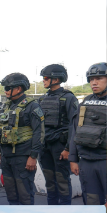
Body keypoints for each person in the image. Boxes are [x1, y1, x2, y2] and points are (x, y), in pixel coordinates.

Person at [0, 73, 45, 205]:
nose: (5, 91)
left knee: (25, 195)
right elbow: (0, 128)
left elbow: (39, 133)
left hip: (23, 157)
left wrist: (33, 157)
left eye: (8, 88)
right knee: (11, 194)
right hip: (7, 156)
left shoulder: (32, 106)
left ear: (19, 88)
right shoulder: (7, 106)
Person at [38, 64, 79, 205]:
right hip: (45, 146)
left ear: (56, 79)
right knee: (49, 181)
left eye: (45, 78)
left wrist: (68, 149)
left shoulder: (68, 98)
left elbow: (74, 126)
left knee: (62, 181)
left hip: (60, 146)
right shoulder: (42, 99)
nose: (43, 80)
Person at [71, 62, 107, 205]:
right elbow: (75, 130)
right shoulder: (86, 102)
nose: (94, 82)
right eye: (91, 79)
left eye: (99, 78)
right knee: (92, 200)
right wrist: (73, 159)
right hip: (87, 161)